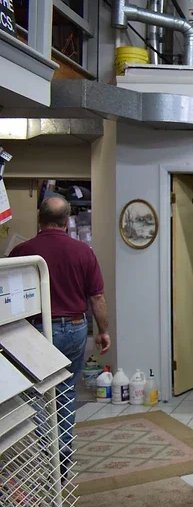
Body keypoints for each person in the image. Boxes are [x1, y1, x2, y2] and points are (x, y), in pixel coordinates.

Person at [10, 196, 111, 469]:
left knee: (38, 390)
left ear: (38, 219)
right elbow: (97, 297)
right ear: (67, 222)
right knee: (66, 389)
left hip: (36, 331)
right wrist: (103, 331)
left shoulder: (22, 251)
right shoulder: (83, 252)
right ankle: (63, 450)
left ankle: (46, 452)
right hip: (75, 328)